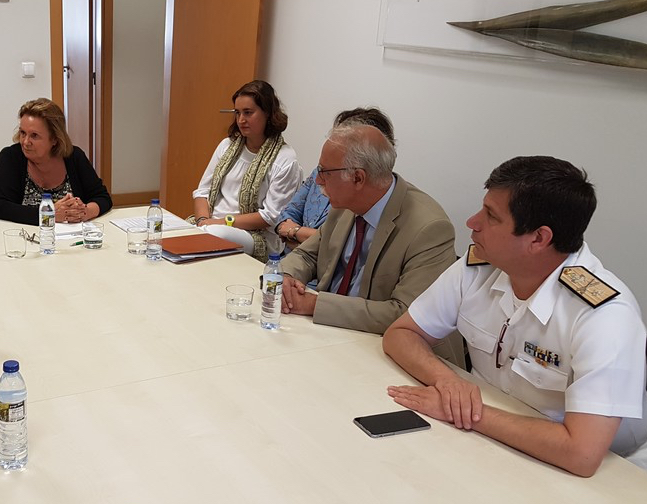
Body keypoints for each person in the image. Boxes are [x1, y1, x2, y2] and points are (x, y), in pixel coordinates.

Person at [383, 156, 647, 477]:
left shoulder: (605, 315)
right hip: (492, 437)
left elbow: (581, 454)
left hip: (608, 470)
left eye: (491, 216)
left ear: (538, 239)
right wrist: (448, 382)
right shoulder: (479, 267)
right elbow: (402, 334)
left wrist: (467, 412)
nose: (472, 222)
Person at [279, 114, 456, 334]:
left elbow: (406, 313)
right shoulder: (345, 204)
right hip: (330, 331)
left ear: (358, 178)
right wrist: (287, 277)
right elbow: (308, 255)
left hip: (382, 342)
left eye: (324, 172)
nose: (317, 180)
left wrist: (315, 305)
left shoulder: (429, 228)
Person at [192, 80, 303, 262]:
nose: (241, 120)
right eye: (237, 113)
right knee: (176, 230)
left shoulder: (285, 158)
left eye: (248, 113)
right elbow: (202, 192)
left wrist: (220, 222)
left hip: (255, 235)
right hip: (210, 224)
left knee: (212, 235)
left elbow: (271, 216)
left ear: (268, 113)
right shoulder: (227, 145)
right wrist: (202, 220)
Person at [275, 108, 395, 253]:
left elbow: (339, 245)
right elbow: (287, 213)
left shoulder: (368, 196)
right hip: (291, 257)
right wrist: (295, 234)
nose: (319, 180)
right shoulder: (320, 173)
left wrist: (296, 232)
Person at [0, 98, 112, 225]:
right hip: (25, 235)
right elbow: (1, 208)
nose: (25, 142)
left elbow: (102, 197)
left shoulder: (74, 156)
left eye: (34, 135)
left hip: (72, 234)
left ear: (54, 138)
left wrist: (84, 212)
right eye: (23, 133)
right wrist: (49, 214)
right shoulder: (10, 157)